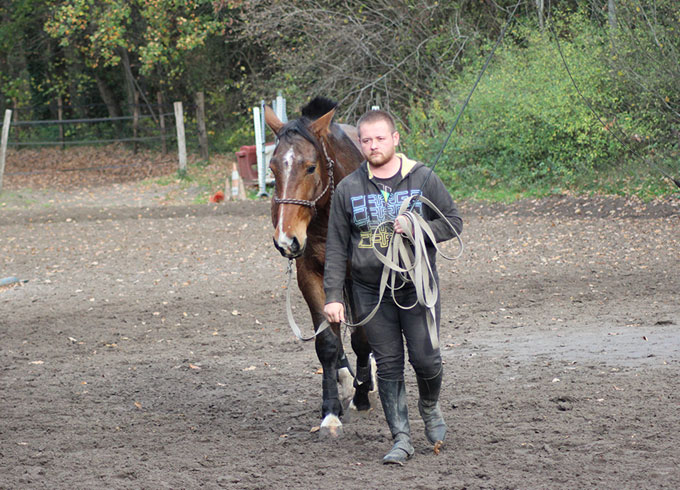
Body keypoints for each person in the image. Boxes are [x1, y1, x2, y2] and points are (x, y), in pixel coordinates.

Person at [323, 109, 463, 465]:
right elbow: (338, 246)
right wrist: (334, 297)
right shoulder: (348, 188)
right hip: (370, 293)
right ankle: (401, 437)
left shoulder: (423, 178)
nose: (373, 146)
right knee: (388, 365)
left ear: (395, 138)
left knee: (427, 359)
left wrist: (417, 227)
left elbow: (454, 223)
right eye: (366, 140)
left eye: (380, 138)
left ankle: (429, 407)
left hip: (416, 287)